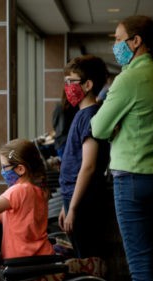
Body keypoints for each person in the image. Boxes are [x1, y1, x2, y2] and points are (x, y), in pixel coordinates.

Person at [90, 15, 153, 281]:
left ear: (135, 41)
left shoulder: (128, 79)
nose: (115, 45)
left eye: (118, 39)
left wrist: (115, 125)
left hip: (131, 181)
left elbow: (98, 128)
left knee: (140, 267)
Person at [57, 54, 111, 260]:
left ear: (88, 85)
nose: (67, 87)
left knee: (88, 258)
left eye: (71, 82)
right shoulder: (82, 114)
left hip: (85, 201)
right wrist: (66, 204)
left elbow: (88, 166)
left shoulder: (90, 115)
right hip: (74, 196)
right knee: (82, 254)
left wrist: (73, 207)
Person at [0, 138, 55, 259]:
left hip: (25, 265)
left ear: (20, 169)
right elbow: (9, 219)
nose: (2, 172)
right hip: (40, 258)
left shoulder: (17, 191)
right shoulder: (36, 189)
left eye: (5, 167)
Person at [51, 90, 78, 160]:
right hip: (73, 141)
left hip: (61, 141)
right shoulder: (77, 107)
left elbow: (54, 123)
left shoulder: (59, 107)